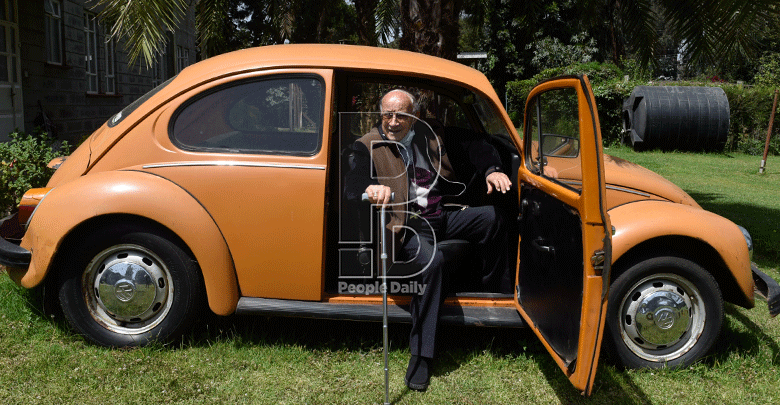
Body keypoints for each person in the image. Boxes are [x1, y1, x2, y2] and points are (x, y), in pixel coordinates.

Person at [344, 89, 512, 391]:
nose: (393, 122)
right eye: (387, 115)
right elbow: (352, 182)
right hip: (405, 227)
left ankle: (493, 300)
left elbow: (477, 145)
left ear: (415, 116)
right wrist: (370, 189)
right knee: (431, 262)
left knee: (492, 218)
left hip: (441, 217)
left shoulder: (433, 133)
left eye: (401, 116)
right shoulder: (366, 146)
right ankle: (421, 355)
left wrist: (492, 169)